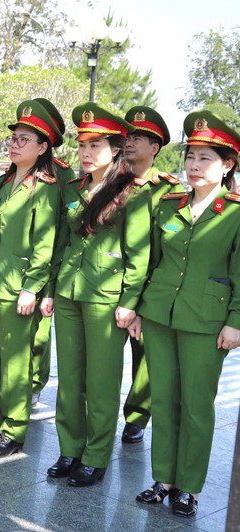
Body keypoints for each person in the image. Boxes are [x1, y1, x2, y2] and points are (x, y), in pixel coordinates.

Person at [131, 110, 240, 517]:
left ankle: (189, 487)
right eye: (190, 157)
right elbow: (153, 261)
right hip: (160, 315)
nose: (194, 166)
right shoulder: (170, 204)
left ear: (227, 165)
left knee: (196, 405)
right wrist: (141, 309)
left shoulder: (235, 212)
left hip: (207, 322)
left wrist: (236, 322)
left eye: (205, 158)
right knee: (164, 400)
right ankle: (164, 479)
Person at [43, 103, 149, 487]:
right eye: (82, 145)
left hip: (107, 297)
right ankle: (70, 449)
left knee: (101, 382)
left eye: (96, 145)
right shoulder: (72, 187)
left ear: (117, 149)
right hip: (70, 290)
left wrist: (130, 302)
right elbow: (61, 243)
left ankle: (96, 454)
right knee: (69, 379)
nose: (85, 153)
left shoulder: (132, 192)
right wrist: (52, 289)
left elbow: (139, 254)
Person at [0, 100, 60, 455]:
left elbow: (44, 243)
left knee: (16, 361)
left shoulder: (45, 186)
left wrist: (32, 287)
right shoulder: (4, 183)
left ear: (42, 147)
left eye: (24, 139)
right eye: (14, 138)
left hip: (18, 286)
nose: (15, 144)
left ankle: (14, 430)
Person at [118, 105, 179, 444]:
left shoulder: (168, 190)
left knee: (145, 356)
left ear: (155, 148)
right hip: (109, 280)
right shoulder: (111, 181)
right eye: (127, 136)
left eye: (138, 138)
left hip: (150, 283)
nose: (129, 142)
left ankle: (138, 415)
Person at [29, 97, 75, 405]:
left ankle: (33, 384)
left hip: (48, 265)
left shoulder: (62, 175)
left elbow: (64, 227)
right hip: (12, 265)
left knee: (38, 335)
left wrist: (51, 279)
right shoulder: (12, 174)